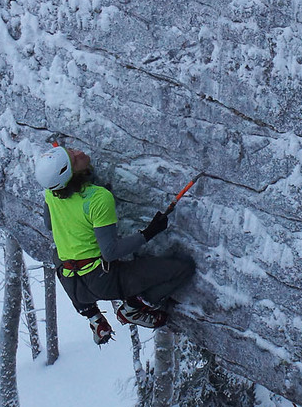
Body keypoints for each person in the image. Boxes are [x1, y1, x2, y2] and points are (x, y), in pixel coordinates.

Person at [36, 145, 195, 345]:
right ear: (71, 175)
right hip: (102, 281)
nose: (79, 152)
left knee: (58, 253)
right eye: (74, 159)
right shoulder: (98, 198)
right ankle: (134, 308)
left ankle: (92, 315)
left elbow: (49, 224)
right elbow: (110, 252)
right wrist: (149, 233)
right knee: (183, 268)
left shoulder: (52, 191)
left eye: (71, 151)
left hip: (70, 280)